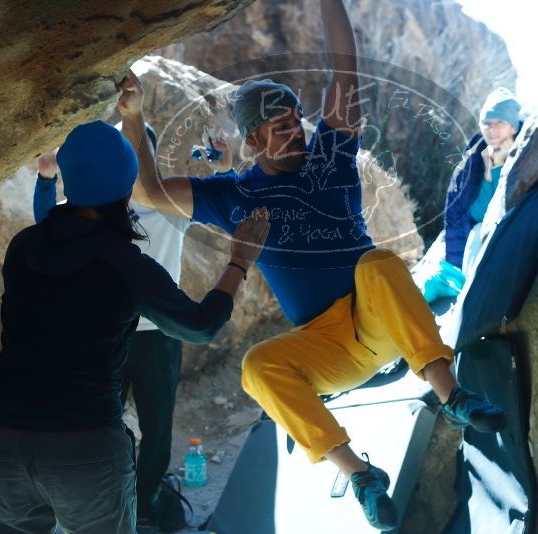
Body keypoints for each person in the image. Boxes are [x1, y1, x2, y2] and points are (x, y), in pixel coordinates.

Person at [119, 1, 506, 530]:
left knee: (376, 263)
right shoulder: (234, 196)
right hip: (329, 349)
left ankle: (452, 395)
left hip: (379, 322)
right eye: (277, 127)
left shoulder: (334, 153)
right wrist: (134, 119)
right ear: (252, 141)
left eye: (294, 120)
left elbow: (343, 62)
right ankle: (359, 475)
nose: (294, 131)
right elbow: (150, 190)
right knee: (257, 367)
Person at [0, 119, 269, 533]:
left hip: (0, 440)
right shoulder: (125, 263)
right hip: (83, 442)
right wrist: (239, 261)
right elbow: (200, 326)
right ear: (129, 185)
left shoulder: (22, 246)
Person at [33, 123, 206, 532]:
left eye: (134, 146)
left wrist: (216, 167)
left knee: (157, 428)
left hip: (158, 335)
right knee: (99, 423)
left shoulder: (168, 204)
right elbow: (48, 226)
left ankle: (142, 503)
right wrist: (45, 176)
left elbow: (216, 199)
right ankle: (110, 500)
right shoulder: (97, 208)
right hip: (108, 329)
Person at [420, 88, 522, 303]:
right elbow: (458, 211)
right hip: (475, 233)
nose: (492, 131)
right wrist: (453, 265)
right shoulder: (474, 158)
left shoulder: (528, 154)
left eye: (499, 123)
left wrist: (502, 165)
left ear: (513, 127)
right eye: (487, 123)